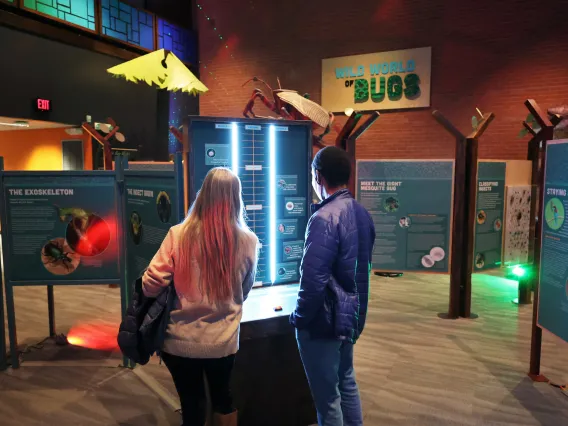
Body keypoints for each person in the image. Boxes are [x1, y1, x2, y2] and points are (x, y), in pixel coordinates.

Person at [143, 167, 259, 426]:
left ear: (203, 195)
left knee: (192, 404)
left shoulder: (178, 234)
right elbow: (245, 290)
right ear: (235, 198)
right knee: (223, 398)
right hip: (223, 341)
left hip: (179, 341)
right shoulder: (249, 241)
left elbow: (151, 284)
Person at [290, 146, 376, 426]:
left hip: (324, 322)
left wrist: (300, 318)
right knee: (347, 383)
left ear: (318, 176)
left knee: (327, 401)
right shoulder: (362, 213)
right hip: (349, 317)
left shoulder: (323, 218)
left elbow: (312, 279)